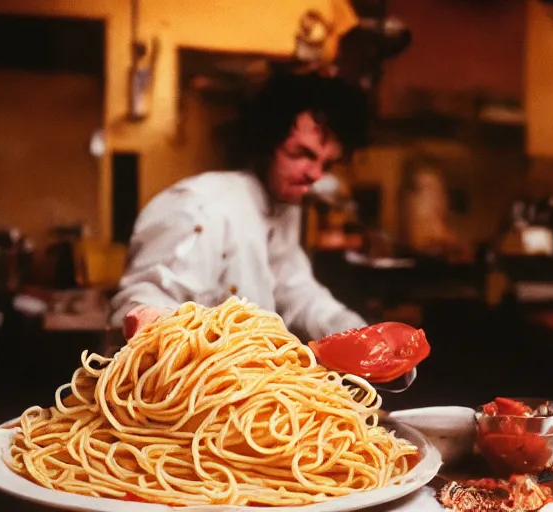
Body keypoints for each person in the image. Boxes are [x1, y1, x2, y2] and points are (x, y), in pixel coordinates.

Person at [109, 72, 416, 388]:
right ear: (266, 142)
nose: (315, 174)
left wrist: (363, 338)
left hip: (242, 397)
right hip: (182, 400)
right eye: (301, 154)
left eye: (326, 164)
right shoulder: (203, 205)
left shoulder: (282, 209)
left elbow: (297, 292)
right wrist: (149, 320)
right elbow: (142, 302)